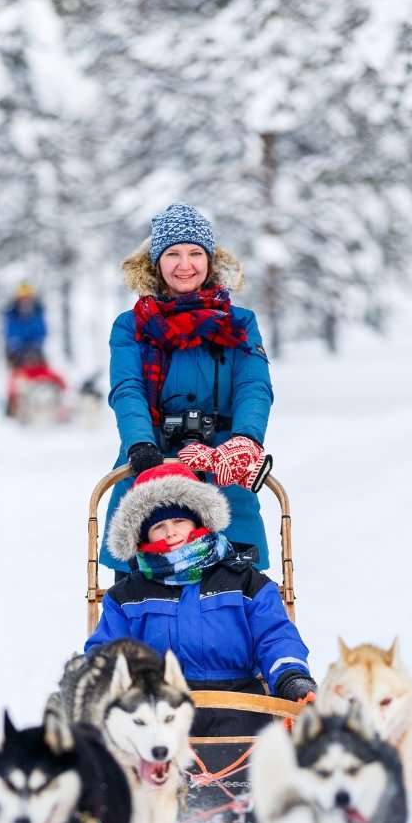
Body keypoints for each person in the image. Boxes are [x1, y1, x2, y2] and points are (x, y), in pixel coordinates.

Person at [87, 462, 317, 805]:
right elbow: (108, 651)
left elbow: (275, 635)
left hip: (240, 699)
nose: (171, 532)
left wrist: (291, 677)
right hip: (161, 707)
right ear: (141, 535)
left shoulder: (245, 581)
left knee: (263, 772)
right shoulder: (128, 594)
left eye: (179, 520)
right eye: (158, 526)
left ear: (198, 519)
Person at [100, 202, 274, 578]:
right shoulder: (131, 325)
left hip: (222, 466)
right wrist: (139, 446)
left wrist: (245, 440)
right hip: (150, 461)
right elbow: (127, 388)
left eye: (196, 253)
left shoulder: (240, 323)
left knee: (240, 588)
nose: (185, 264)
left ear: (210, 260)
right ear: (156, 262)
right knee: (140, 585)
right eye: (173, 254)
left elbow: (253, 385)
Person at [2, 283, 48, 367]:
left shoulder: (38, 312)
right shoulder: (12, 314)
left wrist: (35, 345)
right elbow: (11, 334)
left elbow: (41, 331)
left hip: (35, 348)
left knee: (40, 362)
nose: (25, 301)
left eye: (27, 298)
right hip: (17, 351)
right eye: (23, 299)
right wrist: (18, 347)